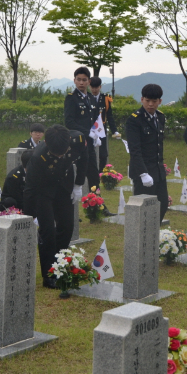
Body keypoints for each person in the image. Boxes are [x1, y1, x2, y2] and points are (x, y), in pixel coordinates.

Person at [23, 124, 87, 288]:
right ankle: (49, 274)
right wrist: (30, 216)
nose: (59, 155)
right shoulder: (37, 158)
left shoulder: (78, 139)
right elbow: (30, 188)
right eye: (55, 153)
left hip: (64, 186)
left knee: (67, 226)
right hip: (43, 191)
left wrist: (79, 184)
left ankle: (60, 263)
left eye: (63, 152)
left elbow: (84, 157)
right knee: (48, 232)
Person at [64, 67, 115, 215]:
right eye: (78, 80)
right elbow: (69, 122)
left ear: (89, 81)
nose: (81, 83)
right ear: (74, 80)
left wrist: (97, 134)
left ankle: (98, 206)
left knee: (94, 175)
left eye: (84, 80)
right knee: (73, 176)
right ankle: (70, 211)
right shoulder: (71, 98)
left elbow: (96, 120)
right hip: (76, 144)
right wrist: (89, 133)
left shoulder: (92, 99)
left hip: (90, 144)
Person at [126, 84, 169, 221]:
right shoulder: (134, 120)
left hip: (158, 170)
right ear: (142, 99)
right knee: (143, 210)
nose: (150, 104)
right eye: (147, 100)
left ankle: (153, 234)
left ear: (159, 101)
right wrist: (143, 173)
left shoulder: (160, 117)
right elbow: (135, 150)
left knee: (163, 204)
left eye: (154, 101)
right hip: (143, 171)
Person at [89, 77, 120, 171]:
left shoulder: (105, 98)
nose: (94, 90)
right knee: (90, 153)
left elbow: (109, 116)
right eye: (92, 87)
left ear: (100, 87)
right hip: (89, 130)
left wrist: (115, 131)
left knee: (103, 155)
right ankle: (91, 174)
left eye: (96, 87)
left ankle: (100, 173)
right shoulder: (87, 97)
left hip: (101, 129)